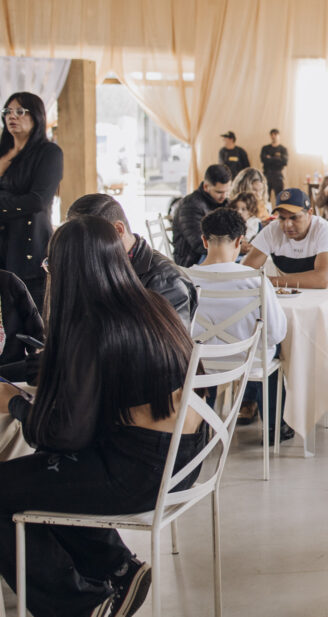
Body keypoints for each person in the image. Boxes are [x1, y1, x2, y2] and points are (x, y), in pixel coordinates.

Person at [0, 216, 207, 617]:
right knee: (37, 478)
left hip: (139, 473)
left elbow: (63, 436)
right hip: (183, 458)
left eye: (50, 266)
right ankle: (118, 568)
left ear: (68, 271)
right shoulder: (150, 304)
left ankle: (80, 604)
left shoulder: (91, 324)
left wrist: (13, 401)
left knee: (22, 479)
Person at [191, 207, 290, 439]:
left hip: (199, 361)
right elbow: (276, 333)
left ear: (204, 241)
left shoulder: (185, 277)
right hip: (249, 361)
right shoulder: (255, 280)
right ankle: (275, 428)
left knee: (206, 358)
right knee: (274, 353)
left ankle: (201, 426)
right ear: (239, 241)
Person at [66, 193, 198, 327]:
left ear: (118, 230)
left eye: (88, 240)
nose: (80, 249)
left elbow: (170, 345)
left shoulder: (166, 281)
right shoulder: (99, 266)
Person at [0, 92, 63, 309]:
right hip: (3, 250)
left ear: (36, 116)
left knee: (32, 326)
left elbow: (37, 201)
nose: (12, 116)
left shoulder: (49, 153)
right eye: (7, 111)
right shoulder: (2, 152)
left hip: (29, 252)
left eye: (19, 111)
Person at [243, 188, 328, 289]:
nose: (287, 224)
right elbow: (247, 273)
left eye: (294, 218)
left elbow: (321, 280)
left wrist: (270, 281)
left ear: (310, 213)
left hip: (324, 298)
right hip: (286, 297)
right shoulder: (272, 230)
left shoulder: (324, 229)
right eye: (282, 218)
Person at [172, 163, 232, 267]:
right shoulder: (190, 206)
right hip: (192, 260)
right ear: (206, 186)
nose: (224, 196)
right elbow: (199, 244)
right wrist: (231, 247)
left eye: (227, 192)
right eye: (219, 192)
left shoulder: (222, 202)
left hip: (214, 255)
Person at [259, 128, 288, 198]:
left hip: (277, 175)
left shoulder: (283, 149)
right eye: (272, 135)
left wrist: (270, 158)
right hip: (267, 174)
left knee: (280, 197)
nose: (274, 136)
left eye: (275, 134)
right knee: (265, 197)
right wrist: (277, 158)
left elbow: (284, 162)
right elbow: (263, 160)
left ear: (278, 136)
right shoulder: (265, 148)